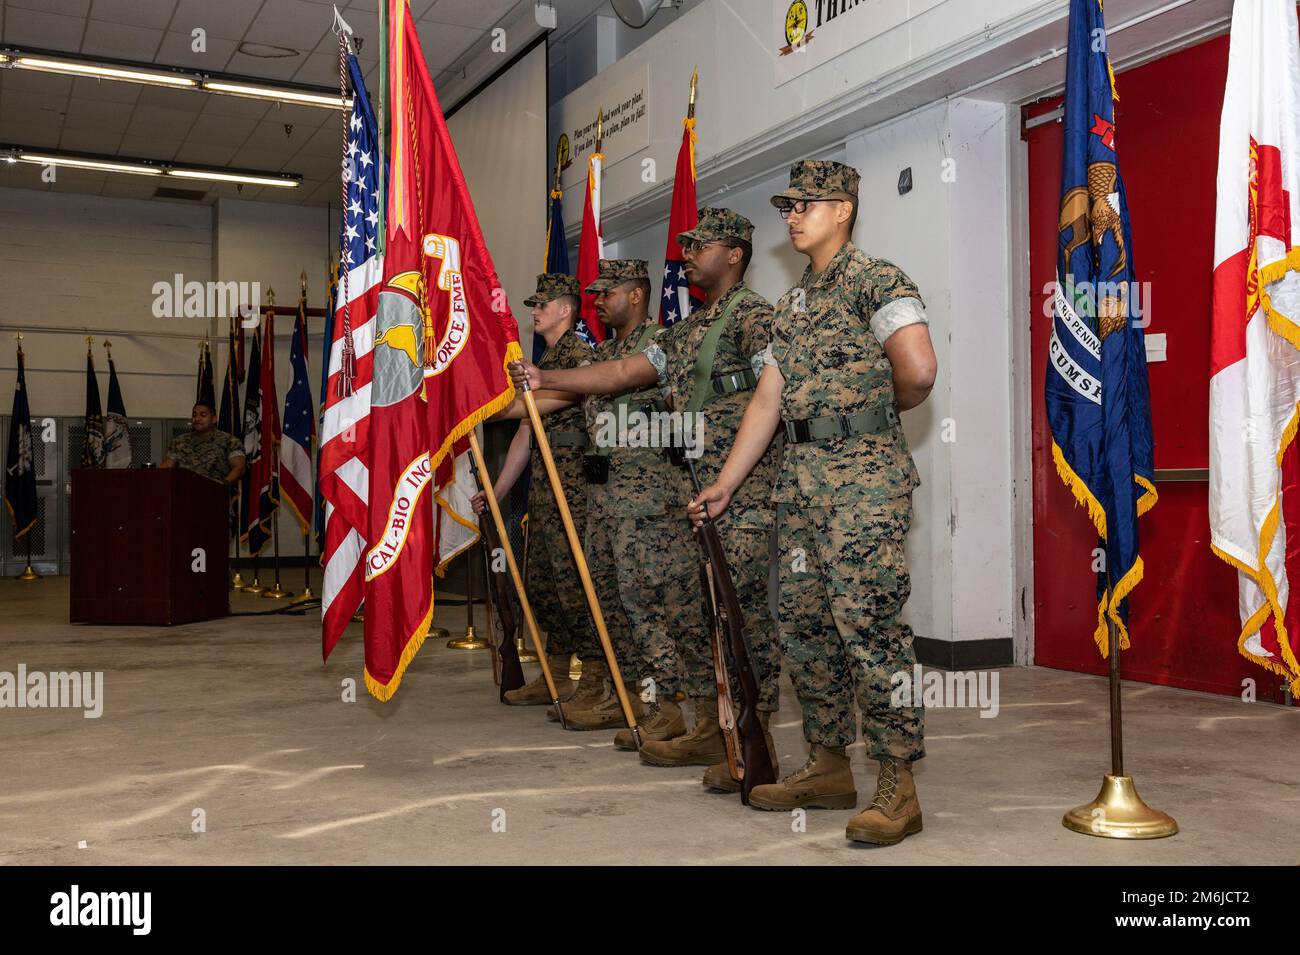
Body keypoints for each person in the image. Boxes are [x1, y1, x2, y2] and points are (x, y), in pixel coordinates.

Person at [690, 160, 937, 846]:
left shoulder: (877, 280)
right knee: (806, 626)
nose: (792, 215)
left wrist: (862, 419)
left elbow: (916, 371)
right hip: (799, 487)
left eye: (805, 204)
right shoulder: (793, 303)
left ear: (844, 209)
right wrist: (728, 482)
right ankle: (829, 763)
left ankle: (898, 780)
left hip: (860, 484)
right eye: (787, 205)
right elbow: (767, 398)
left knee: (869, 625)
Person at [510, 209, 783, 785]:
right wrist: (545, 379)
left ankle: (748, 735)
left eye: (699, 244)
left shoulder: (755, 317)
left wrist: (735, 477)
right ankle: (712, 726)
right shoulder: (684, 332)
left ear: (734, 254)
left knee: (741, 617)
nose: (686, 253)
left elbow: (777, 396)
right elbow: (619, 374)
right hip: (695, 491)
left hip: (738, 493)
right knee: (702, 616)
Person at [504, 259, 707, 747]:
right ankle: (629, 695)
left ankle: (673, 707)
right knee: (616, 604)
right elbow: (551, 404)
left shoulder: (658, 343)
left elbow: (617, 378)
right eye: (594, 294)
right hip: (605, 499)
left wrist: (545, 379)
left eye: (607, 293)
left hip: (651, 502)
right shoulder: (607, 350)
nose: (598, 302)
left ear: (636, 295)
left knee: (658, 607)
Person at [471, 273, 608, 713]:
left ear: (565, 309)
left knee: (575, 584)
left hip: (574, 487)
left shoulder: (578, 358)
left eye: (542, 304)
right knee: (544, 582)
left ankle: (591, 678)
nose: (533, 311)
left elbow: (536, 406)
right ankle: (551, 672)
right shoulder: (547, 357)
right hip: (547, 490)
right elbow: (525, 434)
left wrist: (474, 408)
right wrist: (498, 491)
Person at [161, 400, 246, 486]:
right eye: (194, 415)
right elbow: (166, 467)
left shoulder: (229, 441)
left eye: (203, 415)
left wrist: (222, 484)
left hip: (215, 494)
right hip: (184, 492)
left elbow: (239, 468)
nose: (197, 419)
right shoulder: (179, 441)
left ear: (214, 419)